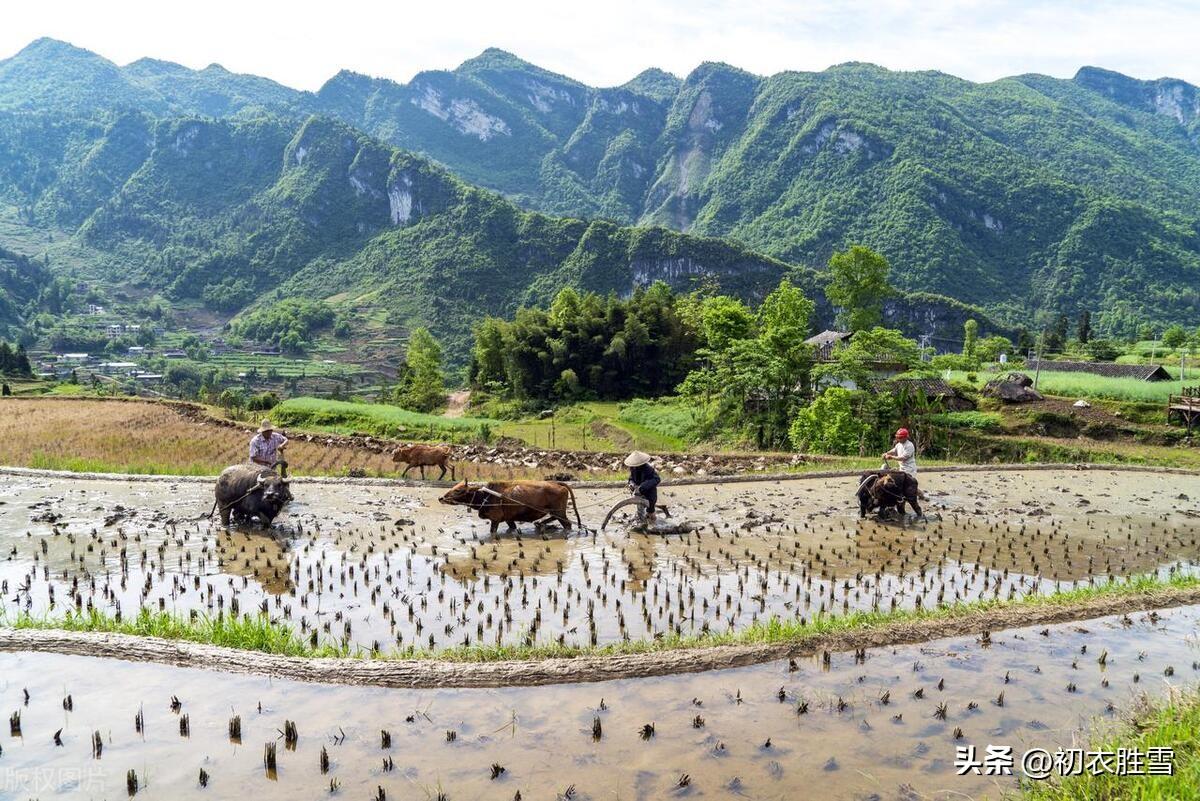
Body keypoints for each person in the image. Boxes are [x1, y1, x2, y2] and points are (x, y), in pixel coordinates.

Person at [624, 451, 661, 521]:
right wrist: (631, 484)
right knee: (640, 510)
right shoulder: (633, 469)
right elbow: (631, 479)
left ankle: (654, 524)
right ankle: (642, 523)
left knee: (650, 511)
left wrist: (643, 486)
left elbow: (657, 479)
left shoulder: (648, 469)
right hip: (638, 494)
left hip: (649, 494)